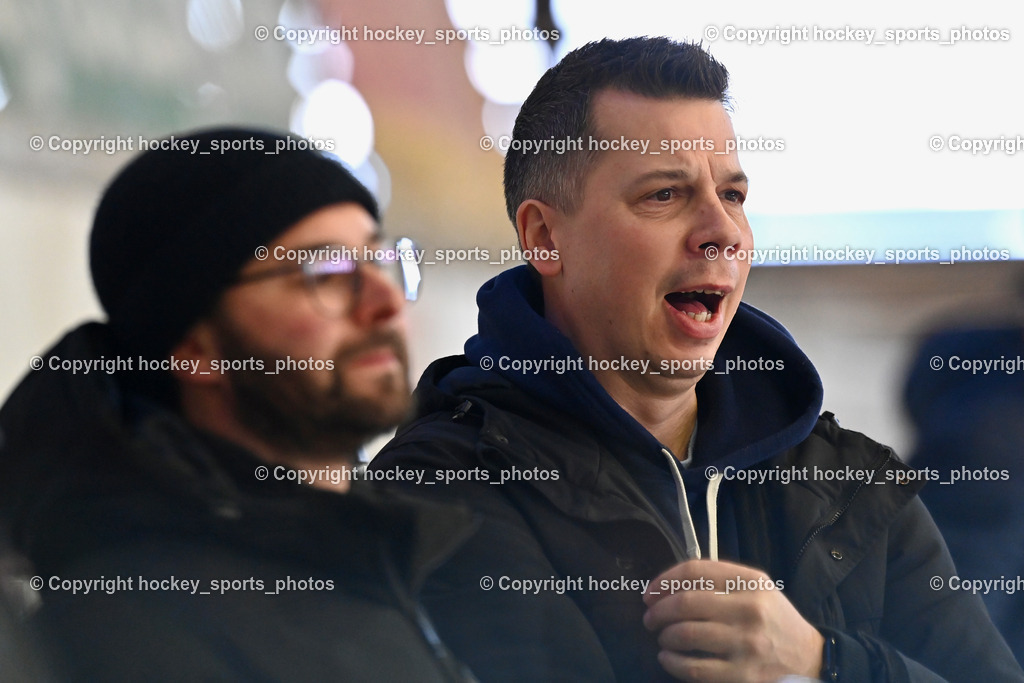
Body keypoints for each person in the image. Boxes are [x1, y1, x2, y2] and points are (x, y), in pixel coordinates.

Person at [370, 38, 1023, 682]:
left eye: (733, 195)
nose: (723, 231)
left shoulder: (847, 484)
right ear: (545, 237)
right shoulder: (442, 489)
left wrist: (820, 663)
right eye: (664, 195)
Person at [0, 127, 476, 681]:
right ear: (198, 352)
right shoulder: (135, 628)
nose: (386, 300)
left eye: (378, 259)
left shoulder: (379, 554)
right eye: (324, 272)